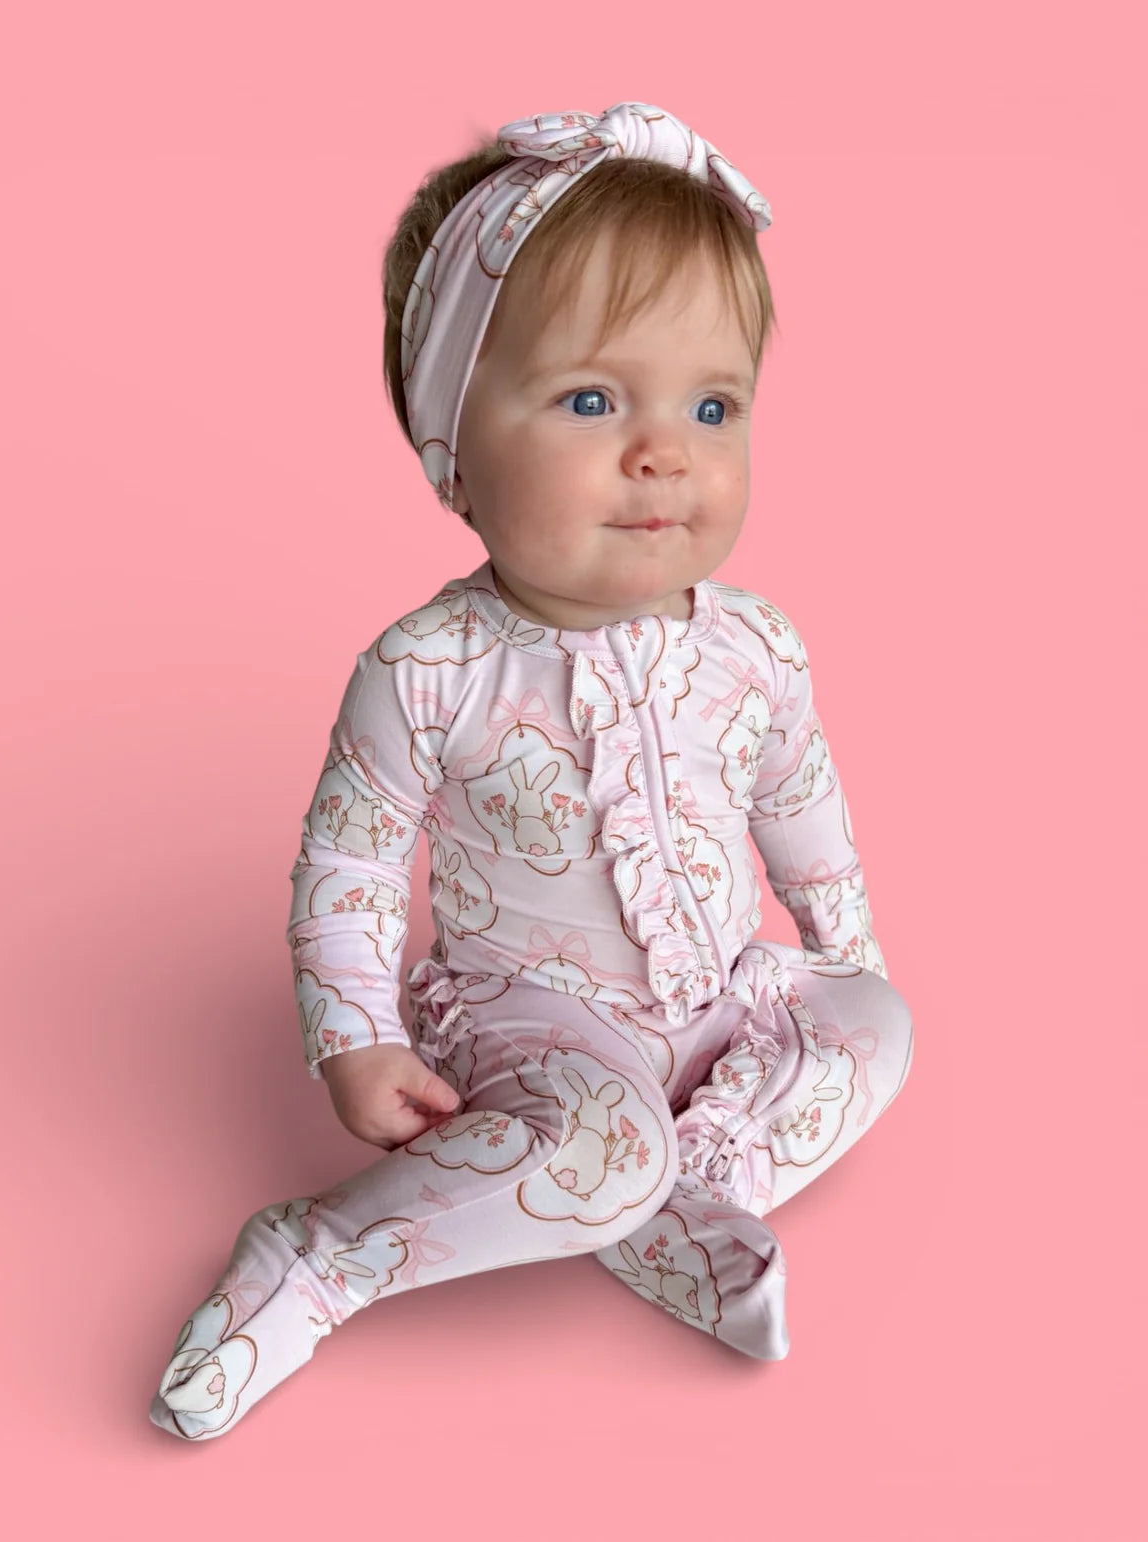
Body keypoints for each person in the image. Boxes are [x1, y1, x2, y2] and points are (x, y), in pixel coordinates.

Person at [149, 102, 914, 1442]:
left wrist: (843, 942)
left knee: (881, 1028)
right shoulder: (428, 667)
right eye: (590, 400)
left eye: (713, 405)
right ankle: (320, 1259)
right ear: (455, 441)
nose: (664, 450)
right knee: (597, 1146)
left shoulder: (755, 644)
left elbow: (796, 793)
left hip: (719, 1001)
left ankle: (691, 1183)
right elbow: (349, 862)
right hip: (535, 1022)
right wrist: (356, 1035)